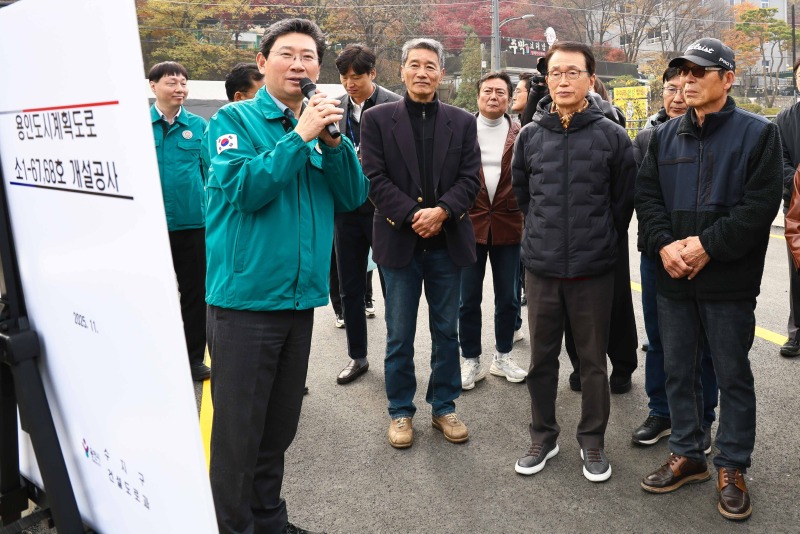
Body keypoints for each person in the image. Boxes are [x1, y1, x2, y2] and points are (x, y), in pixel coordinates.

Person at [205, 18, 368, 534]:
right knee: (239, 433)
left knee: (278, 427)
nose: (299, 65)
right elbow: (247, 189)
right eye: (287, 54)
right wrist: (300, 136)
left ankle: (269, 520)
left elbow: (353, 197)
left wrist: (335, 145)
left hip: (300, 301)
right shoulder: (232, 121)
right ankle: (232, 526)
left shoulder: (323, 129)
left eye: (308, 57)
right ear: (262, 62)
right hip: (245, 302)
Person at [636, 38, 782, 521]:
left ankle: (733, 464)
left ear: (728, 77)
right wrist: (663, 245)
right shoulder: (663, 136)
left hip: (728, 280)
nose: (688, 81)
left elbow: (760, 206)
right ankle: (689, 452)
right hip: (674, 277)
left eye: (700, 72)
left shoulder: (758, 134)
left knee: (731, 373)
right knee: (679, 370)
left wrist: (707, 245)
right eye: (683, 72)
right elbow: (648, 199)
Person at [511, 41, 635, 483]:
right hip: (542, 268)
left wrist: (595, 238)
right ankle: (543, 436)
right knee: (541, 360)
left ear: (590, 79)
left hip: (593, 269)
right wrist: (544, 236)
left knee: (592, 361)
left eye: (572, 73)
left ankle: (593, 439)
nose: (562, 81)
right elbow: (524, 195)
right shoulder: (530, 134)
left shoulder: (612, 135)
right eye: (556, 73)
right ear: (547, 79)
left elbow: (622, 205)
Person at [360, 38, 481, 449]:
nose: (423, 73)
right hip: (399, 243)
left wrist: (442, 212)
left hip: (447, 243)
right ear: (403, 70)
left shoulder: (463, 122)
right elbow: (373, 178)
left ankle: (444, 406)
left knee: (447, 331)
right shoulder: (376, 119)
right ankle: (400, 411)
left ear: (441, 74)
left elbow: (470, 179)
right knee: (399, 334)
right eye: (415, 65)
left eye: (431, 66)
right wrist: (414, 215)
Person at [630, 67, 718, 449]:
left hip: (706, 255)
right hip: (657, 254)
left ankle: (704, 418)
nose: (679, 95)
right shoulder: (649, 137)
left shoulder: (717, 136)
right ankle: (661, 411)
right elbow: (641, 197)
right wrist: (662, 243)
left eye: (686, 87)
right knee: (659, 338)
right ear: (661, 93)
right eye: (671, 88)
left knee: (706, 342)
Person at [563, 77, 637, 395]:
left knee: (617, 300)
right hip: (565, 232)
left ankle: (621, 365)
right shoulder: (549, 118)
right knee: (572, 304)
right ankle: (580, 364)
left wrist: (613, 228)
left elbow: (625, 186)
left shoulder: (610, 116)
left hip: (606, 229)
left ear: (590, 80)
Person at [333, 43, 401, 385]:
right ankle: (357, 357)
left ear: (372, 74)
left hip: (383, 210)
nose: (349, 83)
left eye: (356, 76)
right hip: (346, 209)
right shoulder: (335, 107)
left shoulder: (394, 105)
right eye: (344, 77)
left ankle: (396, 358)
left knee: (392, 285)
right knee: (350, 286)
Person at [459, 71, 526, 390]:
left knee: (509, 298)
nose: (494, 96)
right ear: (478, 96)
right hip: (468, 224)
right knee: (467, 298)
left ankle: (502, 356)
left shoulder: (522, 132)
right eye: (488, 91)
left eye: (501, 92)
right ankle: (470, 359)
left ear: (510, 98)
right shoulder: (461, 131)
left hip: (509, 224)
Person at [148, 61, 210, 382]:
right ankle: (156, 356)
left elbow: (211, 173)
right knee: (153, 294)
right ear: (153, 86)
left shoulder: (199, 126)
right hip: (149, 228)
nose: (180, 89)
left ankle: (193, 358)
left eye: (184, 83)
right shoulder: (136, 125)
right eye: (172, 83)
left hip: (192, 224)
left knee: (194, 293)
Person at [774, 57, 800, 358]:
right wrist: (798, 181)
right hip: (797, 210)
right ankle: (796, 333)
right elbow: (777, 162)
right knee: (797, 273)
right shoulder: (784, 119)